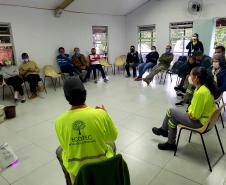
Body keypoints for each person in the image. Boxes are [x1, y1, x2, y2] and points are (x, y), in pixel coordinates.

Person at [55, 76, 118, 185]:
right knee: (111, 144)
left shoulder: (59, 121)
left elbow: (65, 146)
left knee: (59, 150)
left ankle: (70, 182)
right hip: (101, 165)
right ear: (85, 93)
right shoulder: (100, 114)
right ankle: (110, 172)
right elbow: (113, 136)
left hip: (77, 170)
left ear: (66, 97)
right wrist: (105, 115)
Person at [152, 67, 216, 151]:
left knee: (171, 111)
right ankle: (170, 142)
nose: (189, 77)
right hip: (206, 121)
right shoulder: (203, 88)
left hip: (200, 123)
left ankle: (164, 131)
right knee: (172, 119)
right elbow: (194, 107)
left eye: (191, 75)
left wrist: (189, 113)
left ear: (196, 78)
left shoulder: (201, 92)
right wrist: (189, 111)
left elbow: (195, 116)